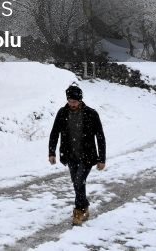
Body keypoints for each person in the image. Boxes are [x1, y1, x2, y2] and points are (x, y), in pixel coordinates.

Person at [48, 84, 106, 226]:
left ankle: (79, 212)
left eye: (74, 101)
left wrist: (101, 158)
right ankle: (84, 205)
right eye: (69, 101)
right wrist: (51, 152)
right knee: (77, 183)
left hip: (87, 155)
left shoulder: (91, 114)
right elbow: (54, 132)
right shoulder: (62, 113)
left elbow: (100, 137)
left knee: (79, 181)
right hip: (70, 155)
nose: (71, 104)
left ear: (80, 100)